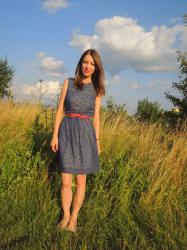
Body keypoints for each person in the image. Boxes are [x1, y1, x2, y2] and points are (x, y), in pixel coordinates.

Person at [50, 48, 105, 233]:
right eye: (85, 62)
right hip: (66, 132)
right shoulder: (69, 82)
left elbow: (96, 117)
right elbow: (59, 111)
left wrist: (97, 142)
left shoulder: (97, 90)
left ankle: (74, 219)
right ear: (80, 63)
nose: (88, 66)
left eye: (92, 64)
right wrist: (54, 135)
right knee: (66, 181)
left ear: (96, 68)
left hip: (86, 135)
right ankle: (65, 215)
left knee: (81, 181)